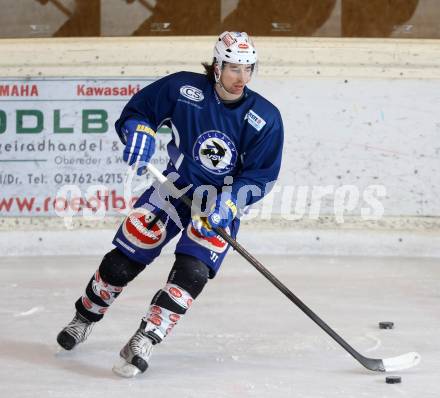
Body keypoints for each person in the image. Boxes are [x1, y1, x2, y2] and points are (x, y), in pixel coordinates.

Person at [57, 31, 284, 378]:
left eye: (248, 69)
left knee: (193, 271)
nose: (242, 78)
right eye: (234, 68)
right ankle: (84, 317)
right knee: (123, 261)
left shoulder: (265, 117)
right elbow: (138, 112)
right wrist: (138, 130)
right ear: (218, 66)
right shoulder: (183, 89)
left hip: (217, 203)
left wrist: (232, 200)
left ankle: (146, 336)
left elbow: (262, 175)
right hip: (173, 188)